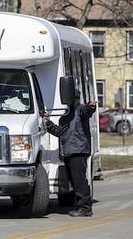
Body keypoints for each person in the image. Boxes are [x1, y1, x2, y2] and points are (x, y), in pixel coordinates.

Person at [43, 89, 97, 217]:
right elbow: (59, 132)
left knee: (79, 181)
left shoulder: (80, 110)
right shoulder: (65, 116)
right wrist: (48, 123)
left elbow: (87, 111)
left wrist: (91, 107)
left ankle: (85, 208)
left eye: (74, 98)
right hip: (68, 152)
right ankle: (81, 206)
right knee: (74, 181)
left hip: (78, 151)